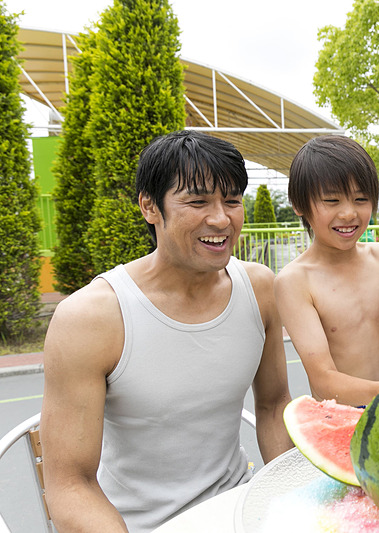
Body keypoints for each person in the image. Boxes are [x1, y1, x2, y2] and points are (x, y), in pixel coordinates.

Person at [40, 131, 294, 533]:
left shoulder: (260, 288)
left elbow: (274, 405)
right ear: (149, 207)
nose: (221, 218)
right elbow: (70, 485)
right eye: (197, 201)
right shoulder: (91, 318)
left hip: (238, 510)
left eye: (231, 200)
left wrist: (288, 504)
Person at [274, 135, 379, 407]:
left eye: (360, 199)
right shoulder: (294, 281)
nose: (349, 213)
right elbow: (323, 379)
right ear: (298, 205)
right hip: (339, 417)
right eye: (331, 200)